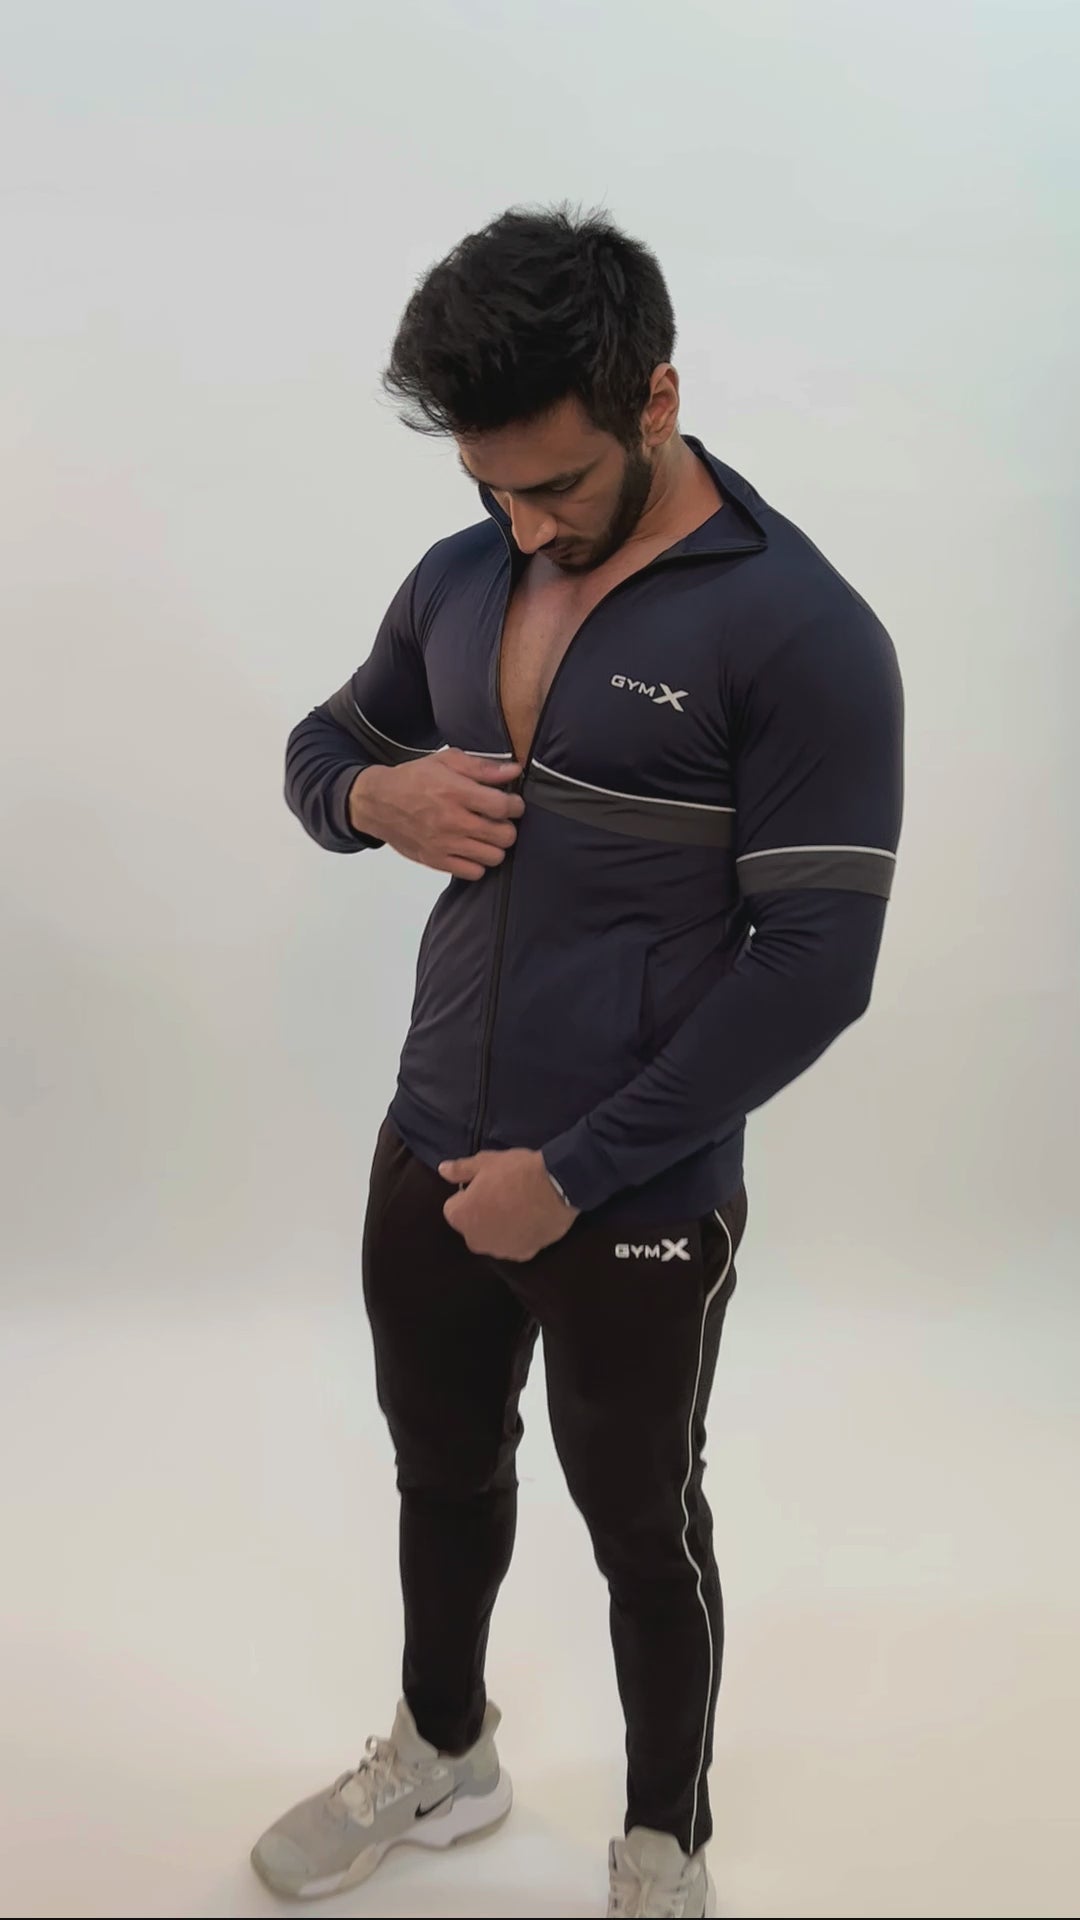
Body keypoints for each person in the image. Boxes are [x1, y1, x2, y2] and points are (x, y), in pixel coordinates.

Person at [252, 205, 904, 1919]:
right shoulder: (463, 573)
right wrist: (374, 796)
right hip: (430, 1140)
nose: (522, 525)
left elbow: (818, 969)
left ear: (656, 400)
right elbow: (324, 746)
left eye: (553, 486)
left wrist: (577, 1173)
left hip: (633, 1193)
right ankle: (444, 1750)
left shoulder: (801, 629)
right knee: (440, 1466)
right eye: (490, 487)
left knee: (643, 1524)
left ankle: (664, 1842)